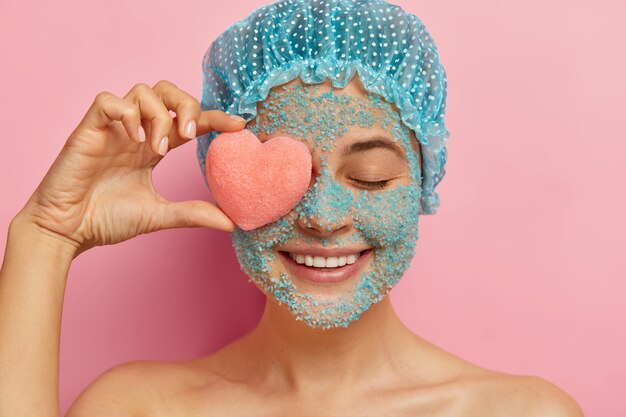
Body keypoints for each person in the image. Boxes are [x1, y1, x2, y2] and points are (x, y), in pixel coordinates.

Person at [0, 0, 584, 416]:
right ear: (223, 174)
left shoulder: (524, 411)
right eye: (289, 175)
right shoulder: (133, 408)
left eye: (370, 176)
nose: (324, 217)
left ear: (424, 178)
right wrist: (46, 235)